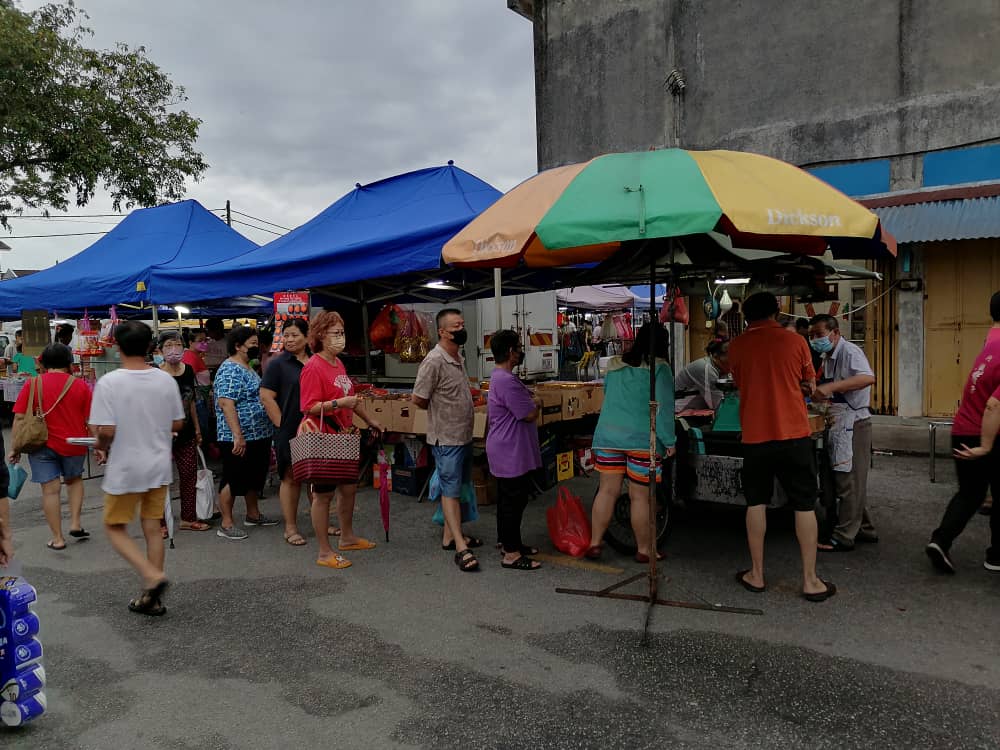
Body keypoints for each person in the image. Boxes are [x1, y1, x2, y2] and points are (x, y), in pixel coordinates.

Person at [727, 292, 835, 602]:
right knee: (803, 504)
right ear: (777, 313)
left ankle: (757, 575)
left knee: (756, 503)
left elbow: (739, 382)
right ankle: (811, 581)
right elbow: (809, 385)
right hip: (794, 434)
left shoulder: (736, 346)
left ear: (746, 317)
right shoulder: (796, 343)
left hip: (755, 437)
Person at [89, 321, 183, 616]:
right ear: (151, 348)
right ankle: (150, 598)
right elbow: (178, 423)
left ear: (116, 346)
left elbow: (105, 429)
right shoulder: (164, 380)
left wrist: (100, 444)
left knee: (114, 527)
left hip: (126, 467)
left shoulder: (110, 382)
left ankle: (151, 576)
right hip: (158, 464)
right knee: (153, 527)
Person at [299, 311, 384, 569]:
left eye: (342, 332)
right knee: (322, 495)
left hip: (344, 436)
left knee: (348, 489)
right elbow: (309, 407)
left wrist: (370, 420)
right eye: (336, 333)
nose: (341, 338)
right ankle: (324, 551)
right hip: (325, 437)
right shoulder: (313, 367)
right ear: (321, 335)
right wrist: (339, 403)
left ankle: (346, 537)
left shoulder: (338, 364)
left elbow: (352, 401)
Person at [587, 322, 676, 563]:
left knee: (607, 490)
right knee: (640, 497)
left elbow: (609, 396)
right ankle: (645, 550)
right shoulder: (660, 368)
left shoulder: (615, 364)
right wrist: (669, 441)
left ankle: (595, 543)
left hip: (608, 436)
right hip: (641, 439)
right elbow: (664, 409)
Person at [926, 291, 1000, 574]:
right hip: (986, 432)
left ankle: (940, 540)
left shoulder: (991, 339)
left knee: (969, 493)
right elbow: (994, 404)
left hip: (962, 427)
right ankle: (995, 556)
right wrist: (985, 446)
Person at [412, 308, 482, 572]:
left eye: (462, 324)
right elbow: (418, 399)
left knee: (460, 487)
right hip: (447, 437)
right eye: (456, 326)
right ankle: (461, 549)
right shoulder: (434, 360)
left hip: (463, 434)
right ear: (442, 331)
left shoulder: (458, 357)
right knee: (451, 490)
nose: (461, 329)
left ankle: (451, 536)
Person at [10, 343, 92, 550]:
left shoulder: (33, 384)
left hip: (41, 444)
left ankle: (58, 538)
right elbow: (90, 418)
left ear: (43, 363)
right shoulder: (80, 385)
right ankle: (75, 523)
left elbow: (20, 417)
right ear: (69, 362)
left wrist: (15, 448)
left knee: (50, 492)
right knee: (74, 481)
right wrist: (99, 445)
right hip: (74, 443)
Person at [808, 314, 877, 551]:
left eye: (819, 334)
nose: (815, 339)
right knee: (843, 477)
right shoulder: (828, 357)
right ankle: (865, 528)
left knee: (848, 480)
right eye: (812, 335)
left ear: (835, 332)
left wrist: (831, 387)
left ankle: (845, 535)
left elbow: (868, 377)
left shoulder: (850, 352)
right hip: (837, 421)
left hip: (855, 422)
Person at [485, 330, 542, 571]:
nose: (521, 351)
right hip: (510, 451)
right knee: (514, 500)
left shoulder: (501, 377)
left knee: (509, 499)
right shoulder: (506, 380)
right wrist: (537, 403)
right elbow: (528, 413)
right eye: (518, 347)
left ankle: (510, 542)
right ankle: (511, 553)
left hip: (507, 448)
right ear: (510, 352)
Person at [213, 326, 276, 540]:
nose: (256, 348)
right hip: (238, 435)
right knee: (233, 477)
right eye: (252, 344)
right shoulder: (230, 369)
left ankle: (253, 513)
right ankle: (227, 523)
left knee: (254, 476)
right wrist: (237, 435)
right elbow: (226, 403)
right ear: (238, 346)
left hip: (258, 433)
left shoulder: (247, 367)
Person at [260, 318, 317, 547]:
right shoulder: (278, 363)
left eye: (295, 335)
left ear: (306, 336)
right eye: (287, 335)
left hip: (315, 429)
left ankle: (319, 522)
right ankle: (290, 527)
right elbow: (266, 395)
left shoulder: (315, 361)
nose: (290, 339)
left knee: (316, 478)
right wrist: (282, 425)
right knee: (290, 478)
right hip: (289, 429)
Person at [157, 331, 208, 532]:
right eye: (168, 345)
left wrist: (197, 429)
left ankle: (188, 518)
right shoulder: (156, 374)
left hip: (186, 432)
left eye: (177, 345)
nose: (173, 349)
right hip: (162, 434)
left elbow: (191, 401)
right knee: (160, 479)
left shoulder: (188, 371)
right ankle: (159, 522)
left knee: (189, 475)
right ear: (160, 350)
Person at [674, 338, 730, 411]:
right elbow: (717, 405)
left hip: (695, 411)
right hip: (680, 412)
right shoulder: (706, 368)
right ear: (716, 355)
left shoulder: (720, 368)